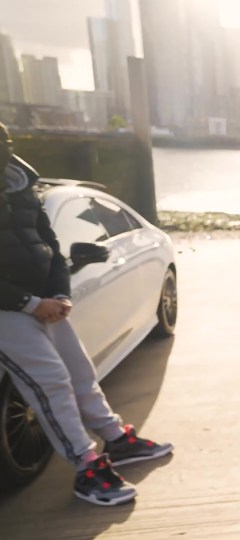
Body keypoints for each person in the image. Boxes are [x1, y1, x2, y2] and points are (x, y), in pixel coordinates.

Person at [0, 122, 173, 506]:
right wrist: (30, 304)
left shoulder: (20, 186)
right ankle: (85, 467)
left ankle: (116, 438)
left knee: (79, 370)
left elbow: (50, 246)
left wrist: (59, 291)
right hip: (8, 311)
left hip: (46, 299)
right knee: (51, 384)